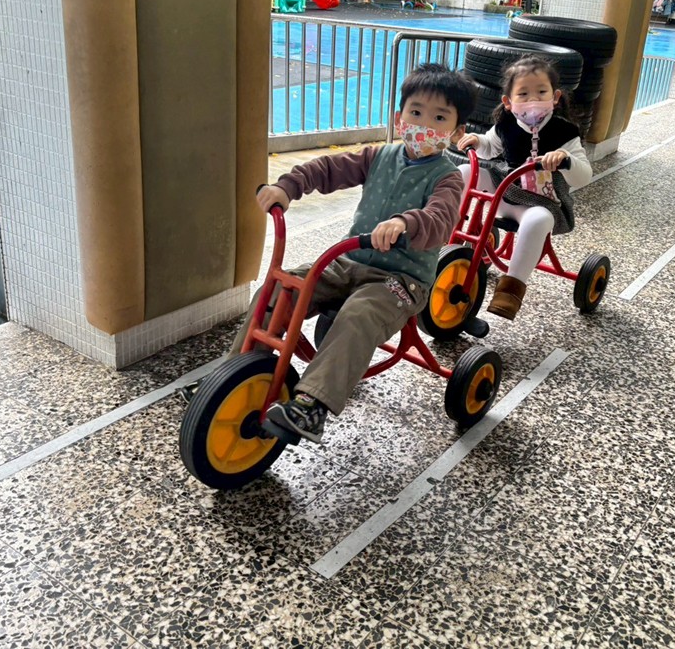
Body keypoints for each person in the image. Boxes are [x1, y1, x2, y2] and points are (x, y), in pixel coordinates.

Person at [230, 63, 474, 443]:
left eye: (439, 118)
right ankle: (235, 375)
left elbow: (441, 220)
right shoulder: (378, 156)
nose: (424, 124)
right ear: (399, 117)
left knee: (359, 313)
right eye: (416, 112)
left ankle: (312, 406)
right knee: (280, 289)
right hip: (348, 261)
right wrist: (288, 186)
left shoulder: (447, 176)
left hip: (401, 280)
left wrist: (406, 223)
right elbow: (329, 168)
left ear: (457, 132)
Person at [455, 55, 592, 320]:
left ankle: (511, 288)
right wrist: (477, 141)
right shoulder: (506, 124)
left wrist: (566, 160)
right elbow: (490, 147)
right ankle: (445, 232)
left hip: (540, 201)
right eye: (523, 94)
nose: (532, 101)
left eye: (541, 92)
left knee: (538, 220)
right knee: (463, 172)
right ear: (508, 102)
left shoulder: (565, 132)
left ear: (555, 97)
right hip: (505, 189)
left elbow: (583, 176)